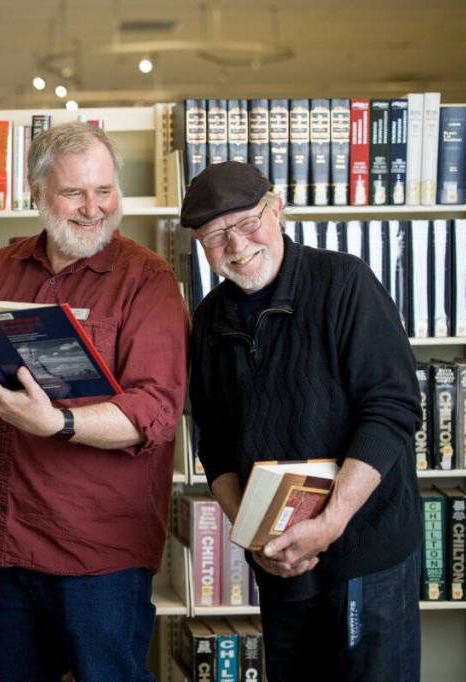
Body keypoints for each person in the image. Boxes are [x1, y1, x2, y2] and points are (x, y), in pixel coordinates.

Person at [0, 121, 189, 681]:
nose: (93, 208)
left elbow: (156, 413)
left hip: (100, 557)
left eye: (104, 190)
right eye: (73, 193)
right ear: (37, 194)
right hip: (3, 545)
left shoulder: (149, 280)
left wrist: (57, 423)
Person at [183, 161, 423, 681]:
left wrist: (332, 522)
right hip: (282, 561)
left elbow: (393, 408)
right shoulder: (208, 320)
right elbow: (215, 443)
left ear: (277, 209)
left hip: (367, 552)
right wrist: (253, 538)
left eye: (247, 223)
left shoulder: (344, 281)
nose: (236, 246)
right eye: (215, 237)